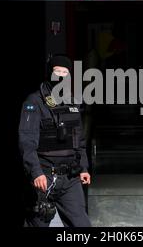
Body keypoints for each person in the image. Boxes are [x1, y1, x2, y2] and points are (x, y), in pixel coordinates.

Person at [19, 54, 92, 227]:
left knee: (82, 225)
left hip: (70, 178)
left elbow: (79, 140)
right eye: (57, 71)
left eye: (65, 72)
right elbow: (26, 141)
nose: (60, 75)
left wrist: (83, 168)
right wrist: (35, 172)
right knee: (38, 223)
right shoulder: (34, 102)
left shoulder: (72, 102)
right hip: (44, 176)